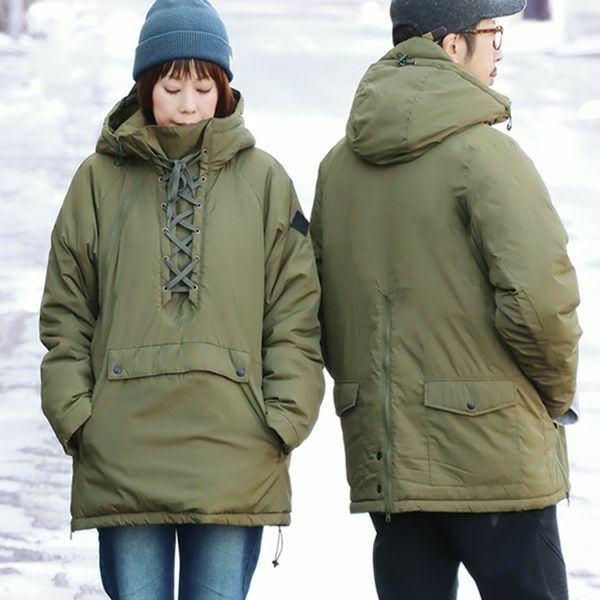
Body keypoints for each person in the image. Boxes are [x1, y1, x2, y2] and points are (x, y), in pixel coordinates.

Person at [39, 1, 324, 598]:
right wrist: (80, 418)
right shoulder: (97, 180)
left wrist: (283, 420)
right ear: (145, 88)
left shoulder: (266, 180)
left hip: (236, 453)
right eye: (172, 88)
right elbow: (67, 312)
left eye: (203, 87)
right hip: (122, 452)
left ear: (224, 88)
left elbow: (295, 313)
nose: (189, 104)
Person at [310, 1, 581, 599]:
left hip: (392, 465)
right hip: (498, 462)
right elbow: (541, 304)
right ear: (451, 44)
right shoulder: (485, 156)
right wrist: (554, 396)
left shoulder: (338, 166)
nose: (499, 48)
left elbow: (327, 312)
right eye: (492, 32)